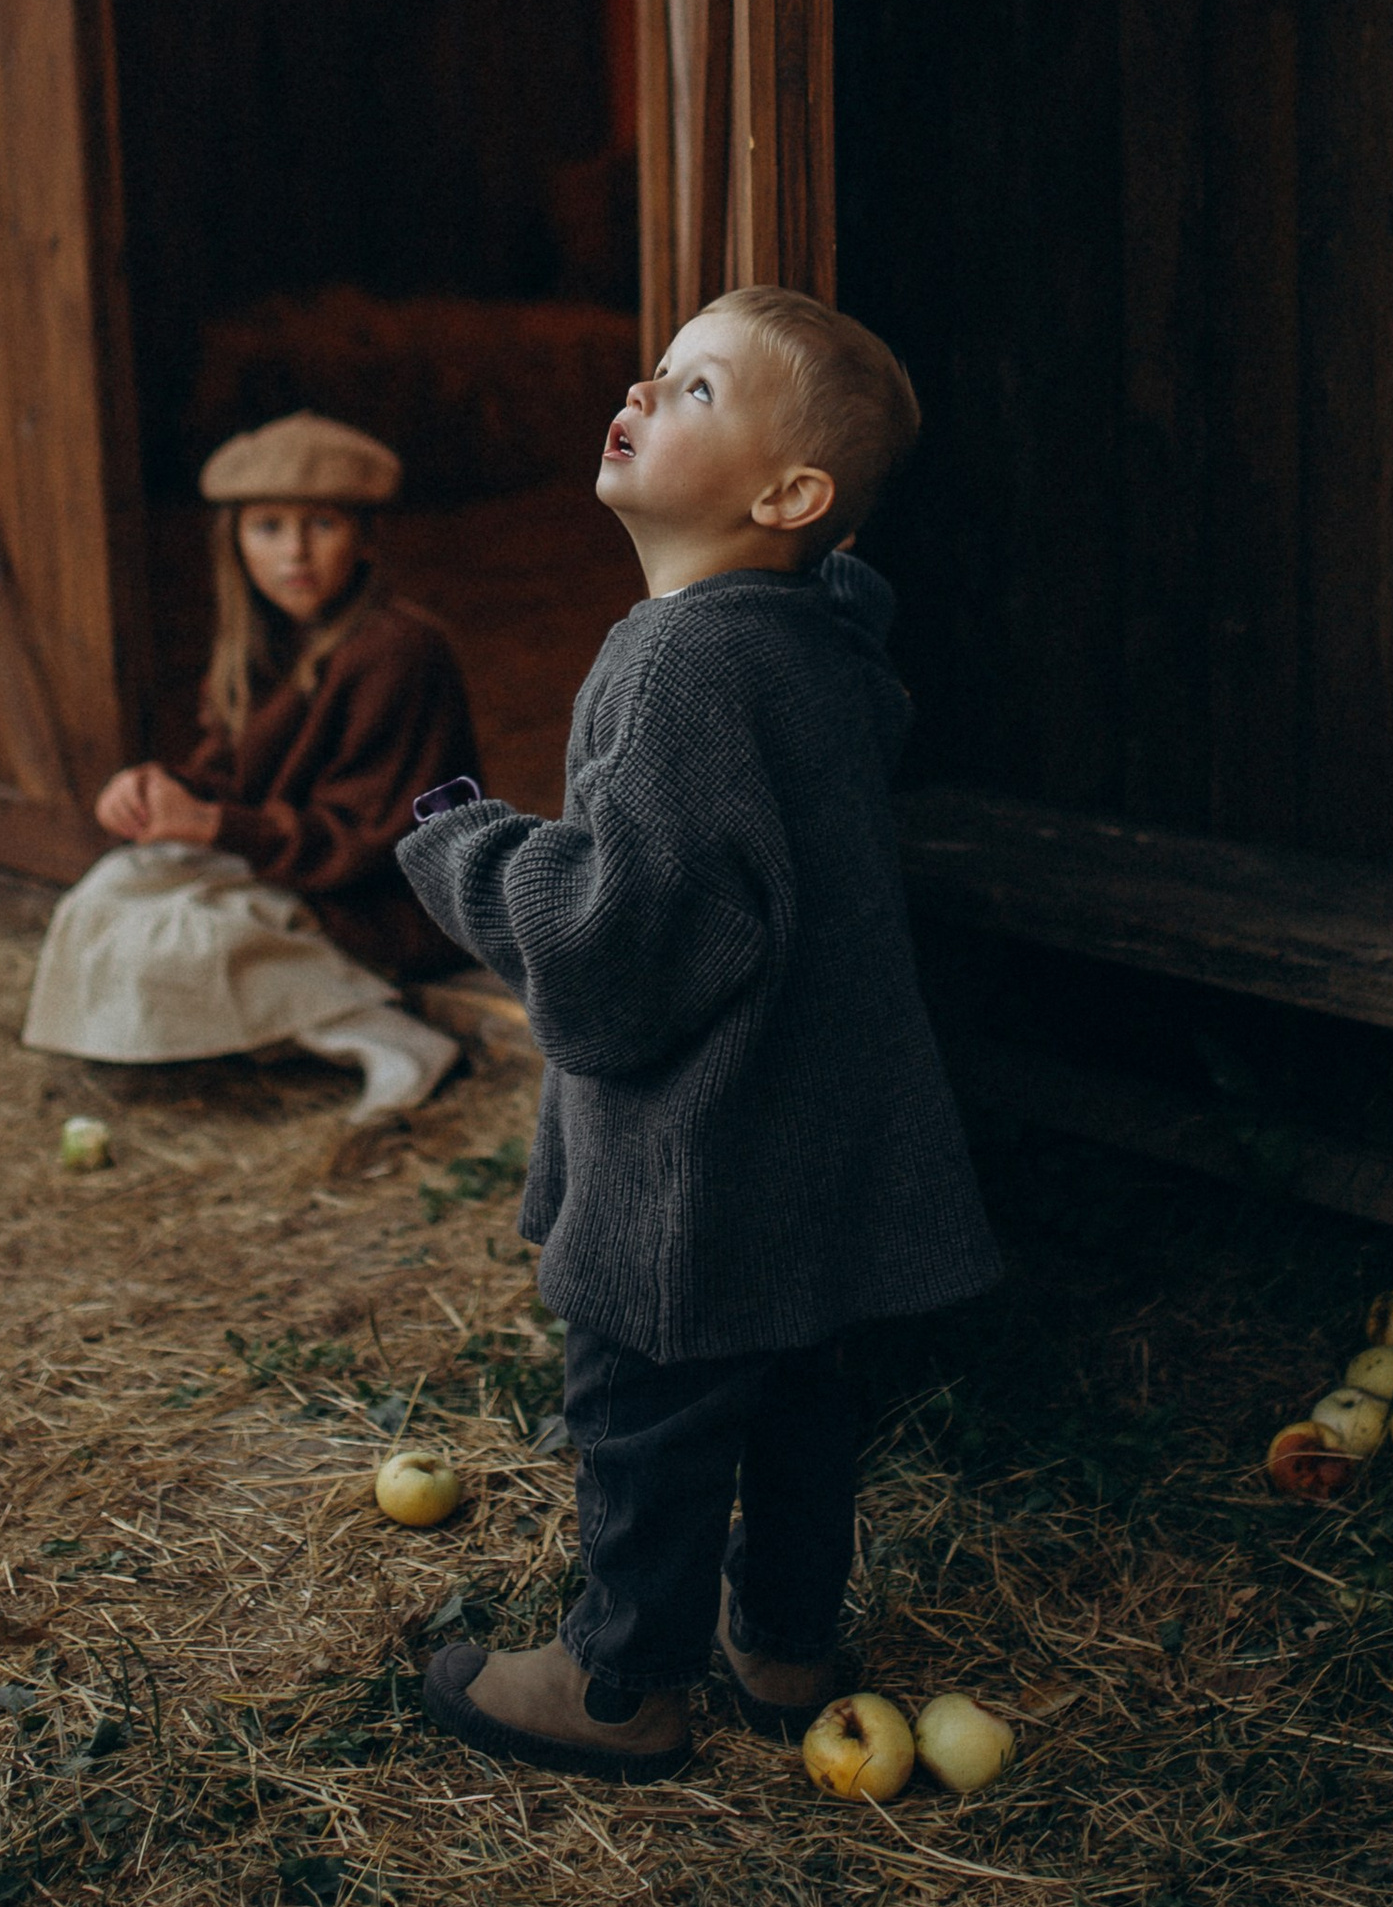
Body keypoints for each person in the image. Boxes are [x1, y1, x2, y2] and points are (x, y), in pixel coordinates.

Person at [396, 286, 999, 1781]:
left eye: (699, 388)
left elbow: (620, 949)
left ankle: (621, 1686)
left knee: (644, 1410)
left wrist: (466, 849)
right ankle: (788, 1641)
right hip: (812, 1139)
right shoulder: (812, 641)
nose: (644, 388)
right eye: (655, 371)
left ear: (789, 495)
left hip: (700, 1154)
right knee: (797, 1391)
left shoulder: (674, 668)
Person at [22, 410, 478, 1131]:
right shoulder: (258, 645)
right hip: (287, 866)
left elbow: (364, 840)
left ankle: (393, 1040)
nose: (294, 551)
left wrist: (213, 825)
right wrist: (156, 791)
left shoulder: (397, 649)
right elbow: (227, 776)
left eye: (321, 524)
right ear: (234, 542)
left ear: (364, 536)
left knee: (196, 935)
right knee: (110, 888)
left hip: (379, 900)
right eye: (267, 527)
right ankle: (301, 1018)